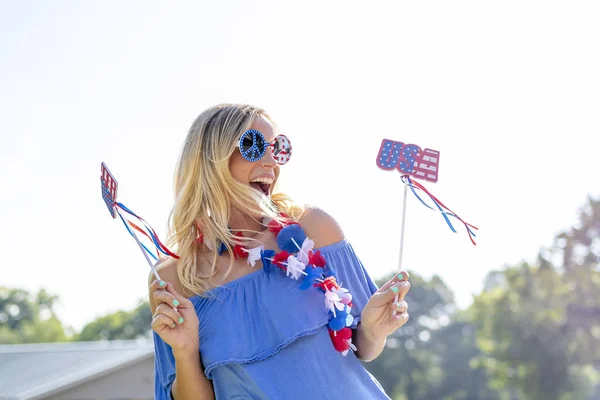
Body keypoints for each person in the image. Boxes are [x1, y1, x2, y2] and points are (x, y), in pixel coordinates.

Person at [149, 104, 411, 399]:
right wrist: (184, 353)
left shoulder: (313, 228)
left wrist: (375, 332)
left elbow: (362, 346)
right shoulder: (175, 277)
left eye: (278, 148)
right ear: (211, 159)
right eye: (252, 145)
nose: (271, 162)